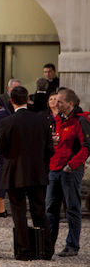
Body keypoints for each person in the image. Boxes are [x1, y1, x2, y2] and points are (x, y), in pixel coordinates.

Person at [0, 86, 55, 261]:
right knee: (39, 211)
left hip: (15, 172)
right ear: (27, 99)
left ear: (12, 101)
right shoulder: (42, 120)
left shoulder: (7, 122)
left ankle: (24, 250)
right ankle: (46, 248)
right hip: (37, 172)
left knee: (19, 213)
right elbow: (49, 149)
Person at [45, 88, 90, 257]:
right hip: (54, 168)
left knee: (72, 208)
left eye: (60, 102)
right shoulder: (56, 120)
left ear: (70, 104)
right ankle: (48, 244)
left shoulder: (80, 121)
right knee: (50, 208)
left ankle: (72, 245)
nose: (56, 104)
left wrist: (72, 165)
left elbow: (86, 147)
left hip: (70, 170)